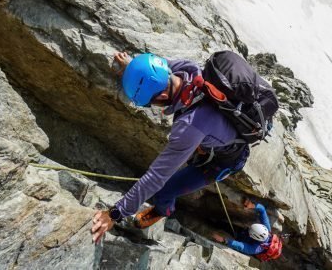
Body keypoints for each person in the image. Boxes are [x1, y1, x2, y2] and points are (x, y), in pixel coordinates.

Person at [91, 52, 250, 244]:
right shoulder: (186, 69)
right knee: (192, 149)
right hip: (210, 138)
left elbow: (155, 177)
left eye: (151, 103)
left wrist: (115, 214)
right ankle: (201, 146)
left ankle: (162, 210)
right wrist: (133, 68)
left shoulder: (188, 127)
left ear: (163, 96)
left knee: (165, 191)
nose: (154, 106)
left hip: (222, 161)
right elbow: (154, 69)